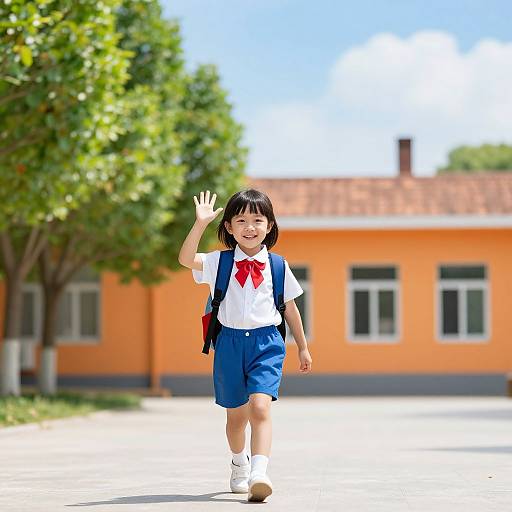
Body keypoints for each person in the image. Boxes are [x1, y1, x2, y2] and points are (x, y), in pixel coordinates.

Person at [178, 188, 312, 502]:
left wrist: (303, 347)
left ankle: (259, 474)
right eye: (241, 220)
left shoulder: (278, 265)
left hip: (267, 342)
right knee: (235, 418)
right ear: (228, 227)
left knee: (260, 407)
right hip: (229, 344)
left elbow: (289, 308)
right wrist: (199, 224)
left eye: (257, 219)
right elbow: (185, 260)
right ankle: (240, 462)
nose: (249, 227)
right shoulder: (218, 262)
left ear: (269, 226)